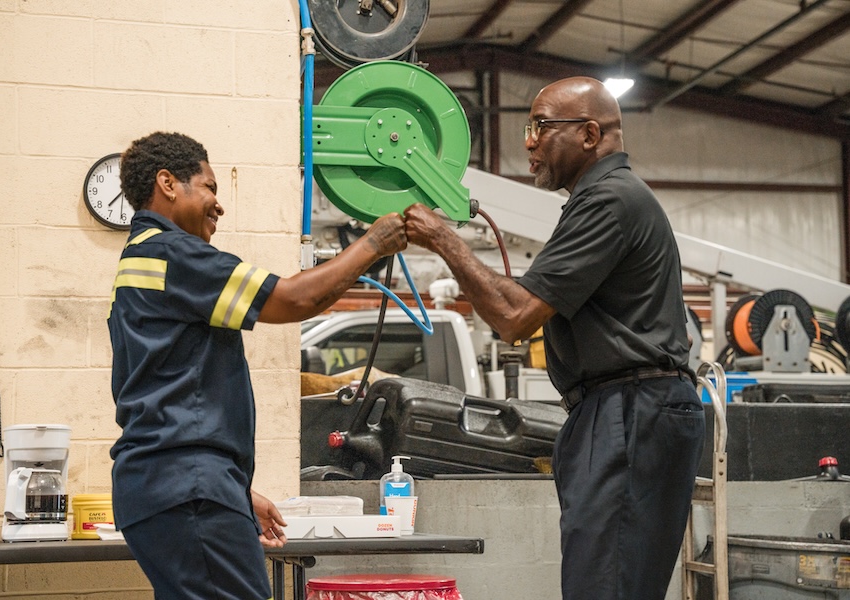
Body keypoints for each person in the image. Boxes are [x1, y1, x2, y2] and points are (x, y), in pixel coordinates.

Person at [404, 77, 705, 600]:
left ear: (589, 134)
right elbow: (522, 303)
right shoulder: (603, 199)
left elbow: (514, 316)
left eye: (540, 127)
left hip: (630, 410)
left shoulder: (610, 200)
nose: (528, 142)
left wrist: (442, 239)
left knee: (605, 586)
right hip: (619, 409)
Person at [108, 131, 406, 600]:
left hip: (165, 486)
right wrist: (374, 242)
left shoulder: (140, 259)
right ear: (167, 184)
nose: (218, 205)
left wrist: (235, 492)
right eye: (209, 187)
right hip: (188, 487)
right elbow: (295, 298)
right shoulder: (173, 253)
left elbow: (169, 390)